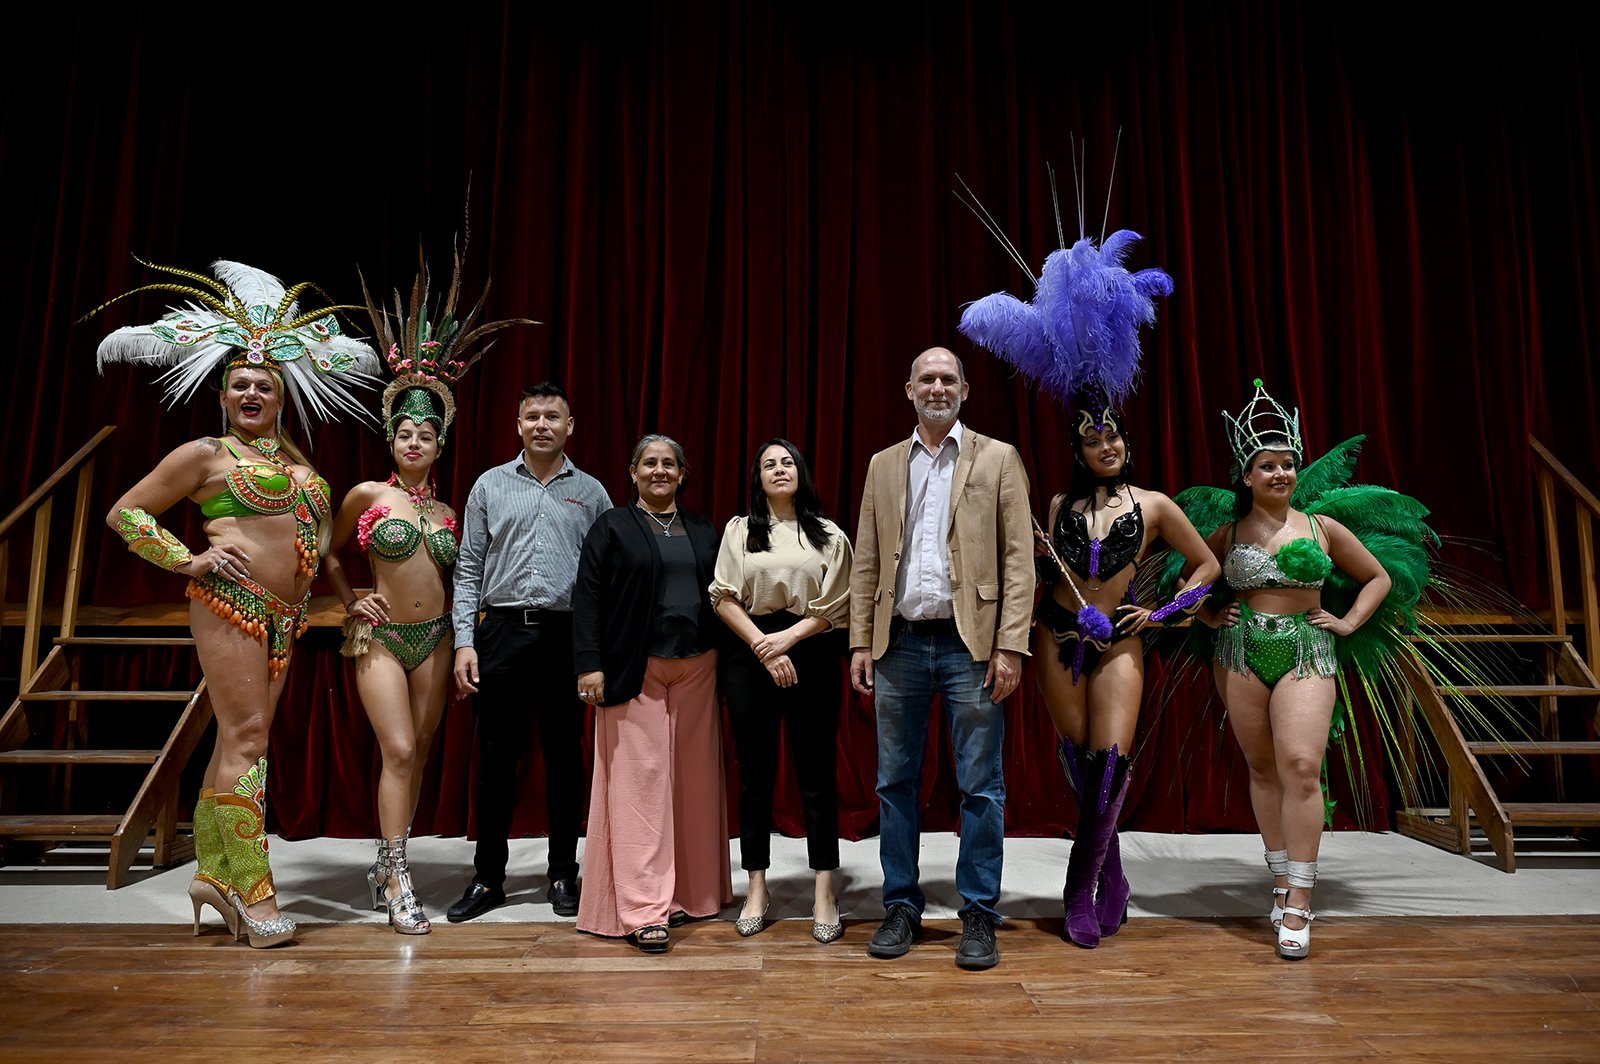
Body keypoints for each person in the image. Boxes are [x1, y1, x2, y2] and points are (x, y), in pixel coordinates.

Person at [95, 259, 379, 947]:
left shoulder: (297, 464)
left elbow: (318, 544)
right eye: (241, 384)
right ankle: (254, 893)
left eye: (265, 385)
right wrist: (187, 559)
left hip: (286, 619)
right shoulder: (205, 454)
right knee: (249, 740)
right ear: (222, 395)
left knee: (236, 740)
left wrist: (344, 598)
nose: (252, 392)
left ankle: (214, 877)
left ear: (282, 398)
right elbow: (125, 513)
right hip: (231, 604)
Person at [324, 258, 527, 933]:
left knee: (424, 749)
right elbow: (324, 548)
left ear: (439, 444)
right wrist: (350, 599)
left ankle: (393, 858)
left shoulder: (446, 512)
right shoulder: (367, 496)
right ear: (391, 438)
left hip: (437, 639)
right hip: (382, 638)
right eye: (406, 433)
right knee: (401, 750)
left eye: (427, 435)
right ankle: (395, 875)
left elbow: (462, 576)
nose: (415, 442)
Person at [849, 347, 1034, 971]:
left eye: (947, 379)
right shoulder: (882, 464)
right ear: (908, 389)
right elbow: (867, 557)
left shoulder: (998, 457)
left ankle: (979, 911)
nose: (936, 387)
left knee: (980, 784)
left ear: (965, 389)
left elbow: (1019, 559)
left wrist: (1010, 644)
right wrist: (860, 640)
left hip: (970, 644)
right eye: (925, 378)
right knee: (894, 783)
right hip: (897, 641)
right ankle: (901, 904)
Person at [1197, 380, 1392, 960]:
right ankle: (1280, 880)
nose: (1280, 474)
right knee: (1263, 769)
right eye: (1267, 466)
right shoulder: (1229, 533)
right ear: (1247, 476)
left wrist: (1349, 621)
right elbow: (1187, 583)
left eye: (1287, 465)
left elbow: (1378, 577)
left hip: (1306, 650)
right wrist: (1209, 616)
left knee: (1302, 767)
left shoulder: (1323, 528)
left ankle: (1302, 899)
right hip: (1241, 651)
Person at [1033, 407, 1218, 948]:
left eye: (1112, 436)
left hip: (1120, 638)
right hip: (1056, 635)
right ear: (1079, 452)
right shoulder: (1059, 505)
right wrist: (1041, 554)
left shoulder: (1154, 505)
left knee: (1109, 762)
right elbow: (1052, 574)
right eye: (1093, 440)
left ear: (1126, 443)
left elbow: (1208, 565)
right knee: (1080, 764)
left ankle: (1077, 891)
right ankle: (1112, 879)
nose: (1105, 447)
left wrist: (1164, 612)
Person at [447, 382, 612, 922]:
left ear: (570, 426)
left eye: (552, 416)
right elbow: (468, 568)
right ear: (518, 425)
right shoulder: (490, 485)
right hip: (501, 632)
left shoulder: (591, 492)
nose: (542, 425)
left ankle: (563, 872)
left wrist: (597, 651)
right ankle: (488, 878)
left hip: (568, 636)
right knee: (496, 757)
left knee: (565, 757)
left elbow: (604, 576)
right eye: (533, 416)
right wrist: (465, 641)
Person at [573, 435, 731, 953]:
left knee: (693, 785)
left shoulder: (704, 530)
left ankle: (688, 894)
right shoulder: (612, 527)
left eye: (669, 464)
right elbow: (588, 598)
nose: (659, 471)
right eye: (649, 463)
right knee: (639, 787)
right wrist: (589, 664)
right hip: (634, 670)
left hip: (698, 667)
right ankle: (643, 908)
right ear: (633, 472)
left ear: (682, 474)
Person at [711, 439, 853, 943]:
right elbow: (723, 597)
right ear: (758, 477)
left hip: (811, 649)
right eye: (768, 464)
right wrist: (764, 646)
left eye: (787, 462)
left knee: (816, 774)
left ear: (800, 472)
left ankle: (825, 889)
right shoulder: (738, 531)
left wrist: (787, 641)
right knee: (754, 775)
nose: (778, 469)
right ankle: (756, 887)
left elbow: (837, 604)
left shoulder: (829, 534)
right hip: (751, 652)